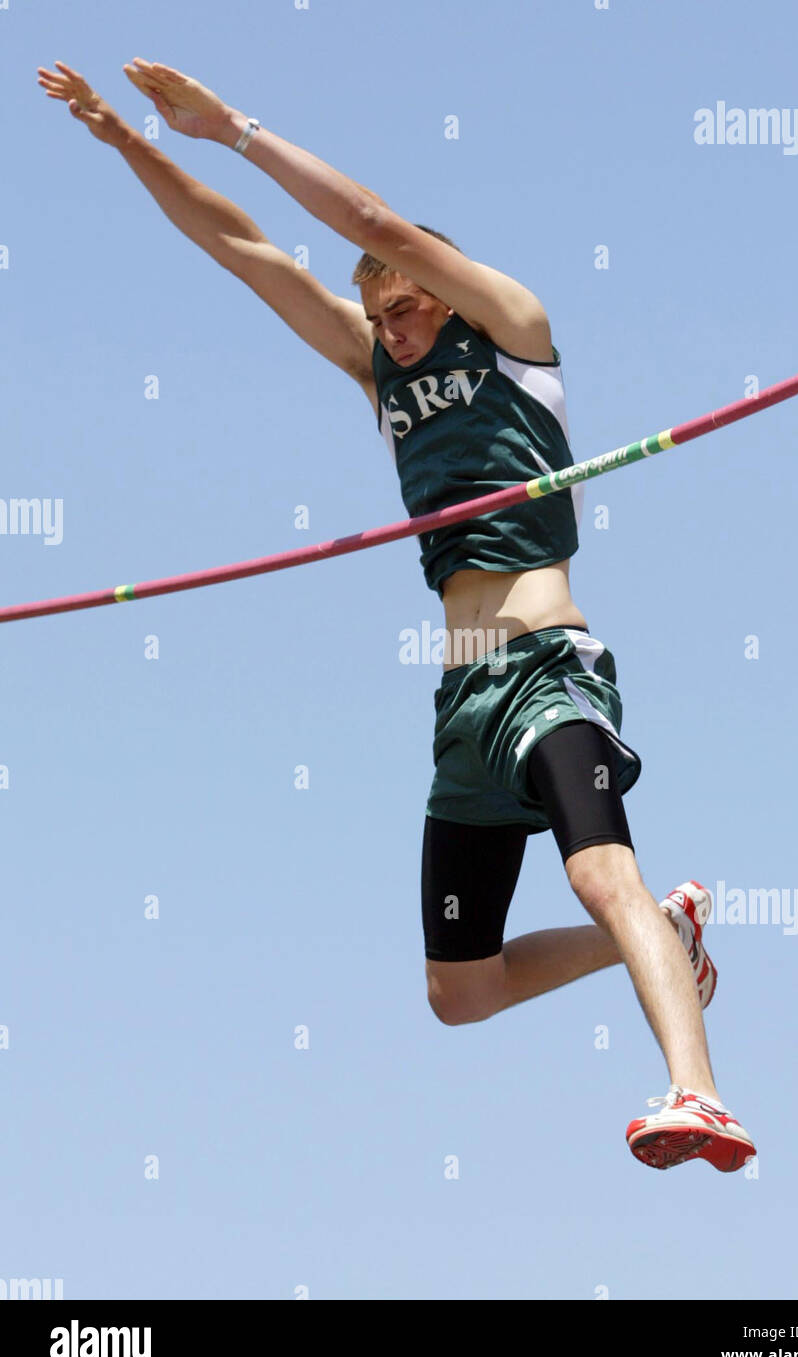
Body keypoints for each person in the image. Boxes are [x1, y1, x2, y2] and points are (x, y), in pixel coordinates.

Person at [37, 57, 756, 1172]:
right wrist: (132, 146)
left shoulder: (514, 326)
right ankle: (663, 938)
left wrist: (229, 126)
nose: (397, 329)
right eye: (379, 315)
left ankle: (698, 1091)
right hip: (462, 697)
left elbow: (371, 218)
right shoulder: (378, 368)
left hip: (549, 661)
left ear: (447, 285)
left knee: (598, 868)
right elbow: (242, 251)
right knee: (459, 994)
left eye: (409, 304)